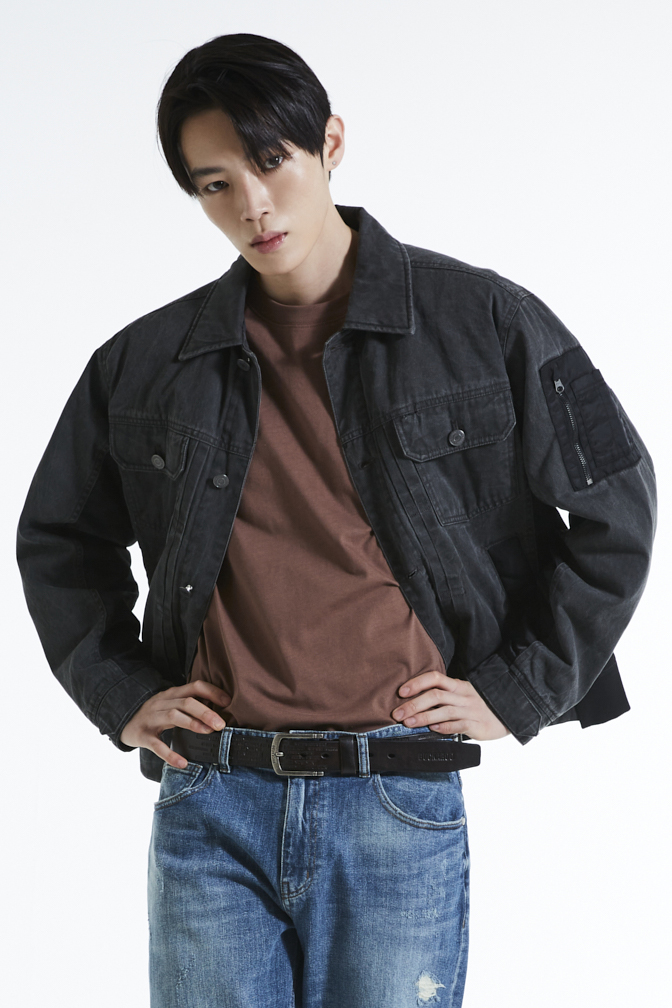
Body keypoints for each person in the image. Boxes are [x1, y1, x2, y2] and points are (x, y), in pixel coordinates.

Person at [16, 31, 656, 1008]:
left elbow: (618, 498)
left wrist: (519, 690)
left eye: (270, 160)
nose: (253, 205)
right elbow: (59, 536)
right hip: (211, 797)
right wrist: (119, 692)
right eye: (215, 184)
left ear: (332, 143)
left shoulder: (486, 320)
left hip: (394, 797)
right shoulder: (144, 362)